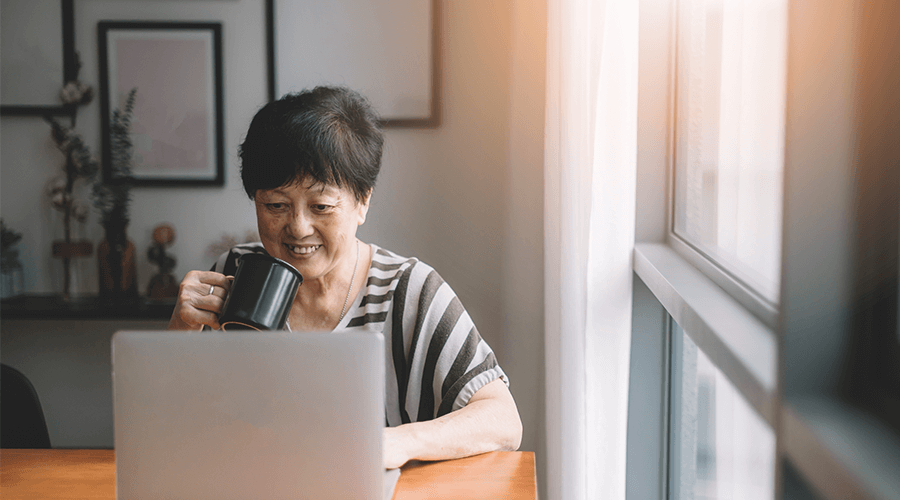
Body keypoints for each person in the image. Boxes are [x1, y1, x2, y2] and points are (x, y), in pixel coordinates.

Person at [168, 86, 522, 469]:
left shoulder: (408, 291)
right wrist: (180, 331)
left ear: (362, 202)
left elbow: (503, 420)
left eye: (321, 206)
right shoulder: (233, 273)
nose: (298, 227)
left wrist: (398, 442)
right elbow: (168, 420)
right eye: (275, 205)